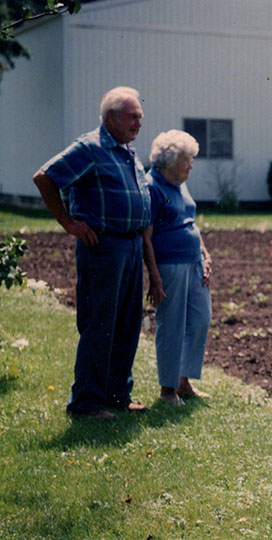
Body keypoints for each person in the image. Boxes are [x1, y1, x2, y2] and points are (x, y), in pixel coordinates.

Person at [32, 86, 151, 420]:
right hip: (103, 247)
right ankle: (85, 403)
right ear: (110, 117)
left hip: (131, 245)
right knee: (100, 323)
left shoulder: (128, 150)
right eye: (132, 117)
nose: (138, 123)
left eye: (140, 117)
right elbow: (45, 178)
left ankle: (116, 395)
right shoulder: (90, 147)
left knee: (128, 324)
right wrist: (69, 222)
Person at [142, 130, 212, 406]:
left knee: (200, 319)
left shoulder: (181, 184)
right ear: (169, 162)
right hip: (169, 266)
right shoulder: (152, 187)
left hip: (195, 263)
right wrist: (154, 276)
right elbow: (145, 237)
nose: (192, 165)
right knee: (171, 325)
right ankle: (167, 390)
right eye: (188, 160)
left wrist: (206, 255)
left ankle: (184, 383)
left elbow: (190, 221)